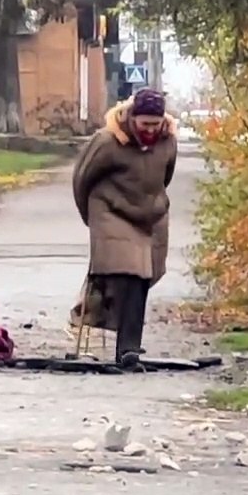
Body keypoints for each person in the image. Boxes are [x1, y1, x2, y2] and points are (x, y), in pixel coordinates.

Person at [69, 88, 177, 367]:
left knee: (143, 278)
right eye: (145, 124)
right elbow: (82, 180)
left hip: (148, 216)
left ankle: (126, 343)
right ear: (132, 118)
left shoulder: (168, 142)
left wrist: (154, 205)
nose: (151, 130)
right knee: (128, 274)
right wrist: (93, 217)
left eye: (156, 124)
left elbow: (164, 178)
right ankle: (126, 347)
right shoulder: (107, 141)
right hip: (110, 212)